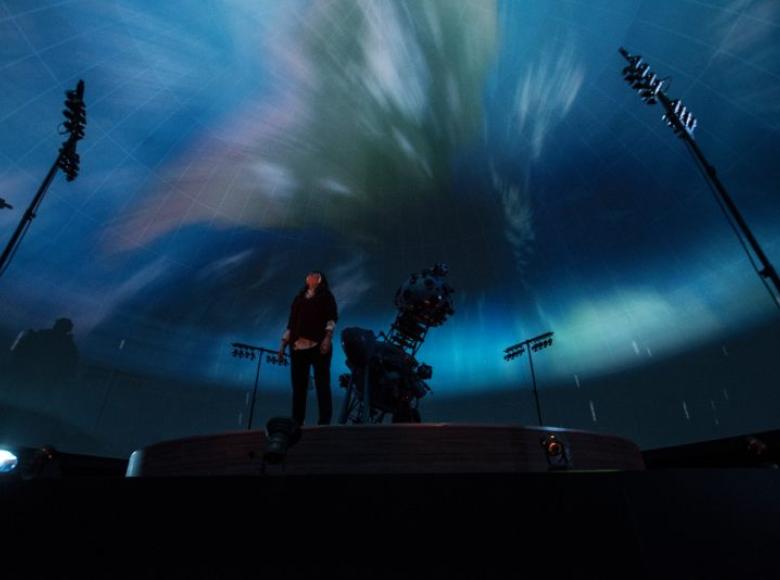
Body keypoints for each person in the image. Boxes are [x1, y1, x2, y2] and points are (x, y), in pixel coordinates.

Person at [279, 271, 338, 426]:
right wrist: (283, 345)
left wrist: (327, 338)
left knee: (322, 384)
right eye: (309, 275)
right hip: (298, 347)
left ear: (320, 280)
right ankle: (297, 421)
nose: (311, 277)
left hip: (318, 346)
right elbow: (291, 323)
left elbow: (331, 319)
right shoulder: (299, 298)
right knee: (298, 386)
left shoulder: (326, 297)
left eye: (315, 275)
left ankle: (324, 422)